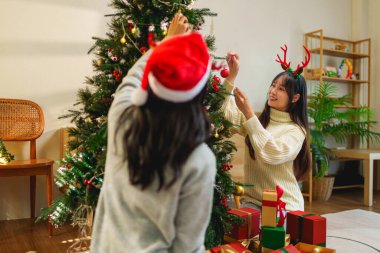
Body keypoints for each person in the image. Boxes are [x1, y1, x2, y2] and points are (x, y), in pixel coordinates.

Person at [90, 13, 216, 253]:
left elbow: (131, 80)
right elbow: (188, 247)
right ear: (198, 94)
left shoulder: (122, 119)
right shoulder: (199, 159)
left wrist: (167, 42)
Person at [221, 46, 311, 212]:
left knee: (262, 237)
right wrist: (231, 76)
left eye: (281, 89)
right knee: (237, 232)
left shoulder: (296, 131)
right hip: (253, 201)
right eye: (273, 85)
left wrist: (249, 114)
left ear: (295, 98)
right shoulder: (258, 120)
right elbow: (223, 115)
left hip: (284, 206)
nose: (273, 91)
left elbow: (272, 153)